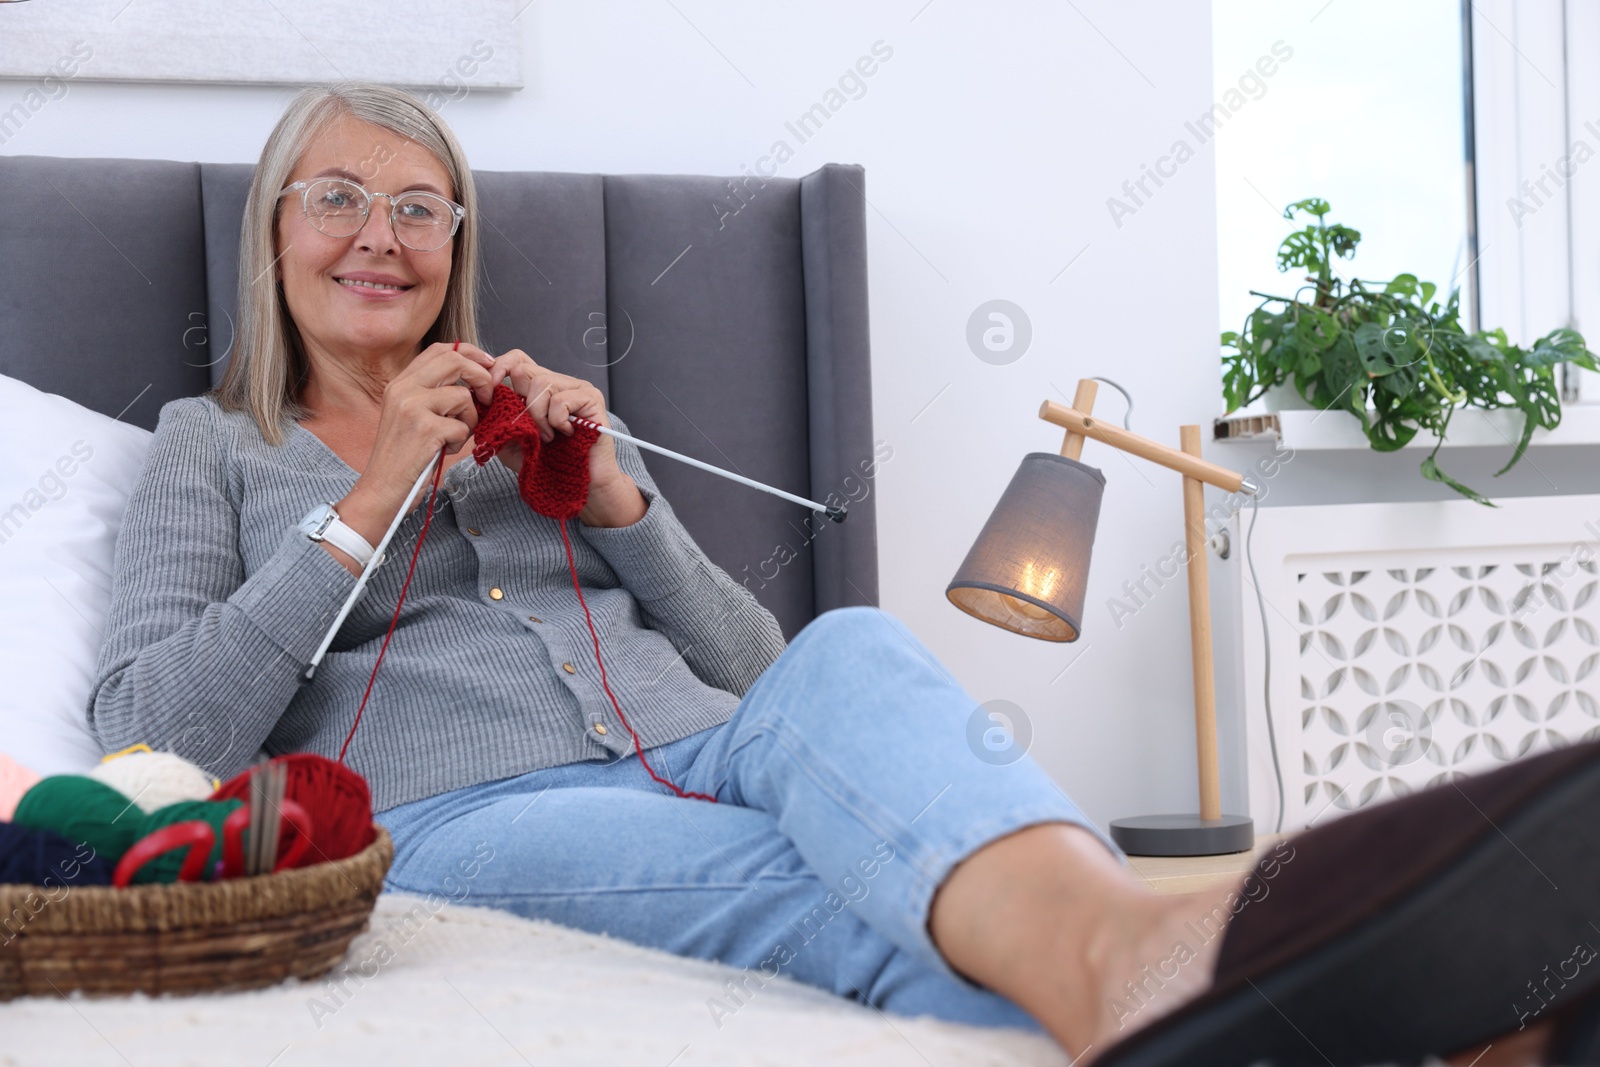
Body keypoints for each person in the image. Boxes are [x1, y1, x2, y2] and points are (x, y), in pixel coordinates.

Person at [89, 84, 1595, 1066]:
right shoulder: (207, 447)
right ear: (271, 233)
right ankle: (1299, 1000)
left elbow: (764, 676)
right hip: (456, 821)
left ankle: (1159, 964)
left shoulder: (522, 422)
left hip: (707, 750)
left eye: (421, 207)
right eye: (338, 197)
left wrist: (626, 505)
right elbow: (154, 738)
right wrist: (365, 502)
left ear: (457, 245)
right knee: (831, 894)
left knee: (857, 647)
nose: (382, 235)